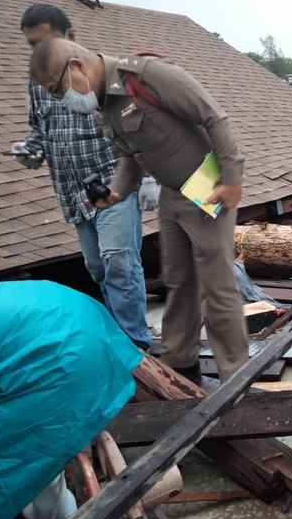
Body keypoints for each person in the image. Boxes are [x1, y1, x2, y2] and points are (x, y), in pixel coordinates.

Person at [29, 37, 248, 384]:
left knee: (217, 285)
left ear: (77, 66)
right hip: (172, 196)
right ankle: (181, 365)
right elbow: (132, 156)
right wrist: (115, 194)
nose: (61, 100)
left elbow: (214, 117)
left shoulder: (147, 75)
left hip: (207, 191)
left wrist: (232, 178)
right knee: (179, 281)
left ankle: (236, 377)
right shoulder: (105, 104)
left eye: (58, 90)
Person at [13, 4, 154, 350]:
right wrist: (31, 150)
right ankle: (117, 335)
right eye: (32, 45)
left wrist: (149, 177)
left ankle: (134, 344)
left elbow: (138, 127)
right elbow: (39, 130)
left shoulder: (101, 75)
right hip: (73, 191)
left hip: (114, 181)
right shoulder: (38, 82)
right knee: (98, 268)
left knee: (118, 259)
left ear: (71, 37)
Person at [0, 280, 142, 519]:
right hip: (75, 317)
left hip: (51, 357)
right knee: (31, 443)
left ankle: (54, 516)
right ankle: (55, 515)